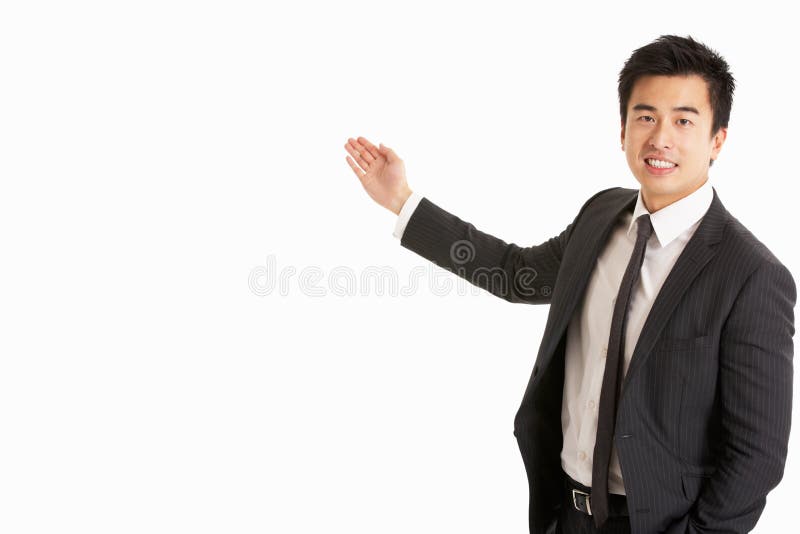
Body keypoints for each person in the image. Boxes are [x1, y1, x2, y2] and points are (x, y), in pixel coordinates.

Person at [343, 35, 795, 534]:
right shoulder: (602, 213)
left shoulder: (751, 275)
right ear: (622, 130)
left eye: (684, 121)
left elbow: (756, 454)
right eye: (645, 117)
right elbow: (516, 274)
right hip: (565, 512)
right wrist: (402, 202)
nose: (660, 138)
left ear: (717, 140)